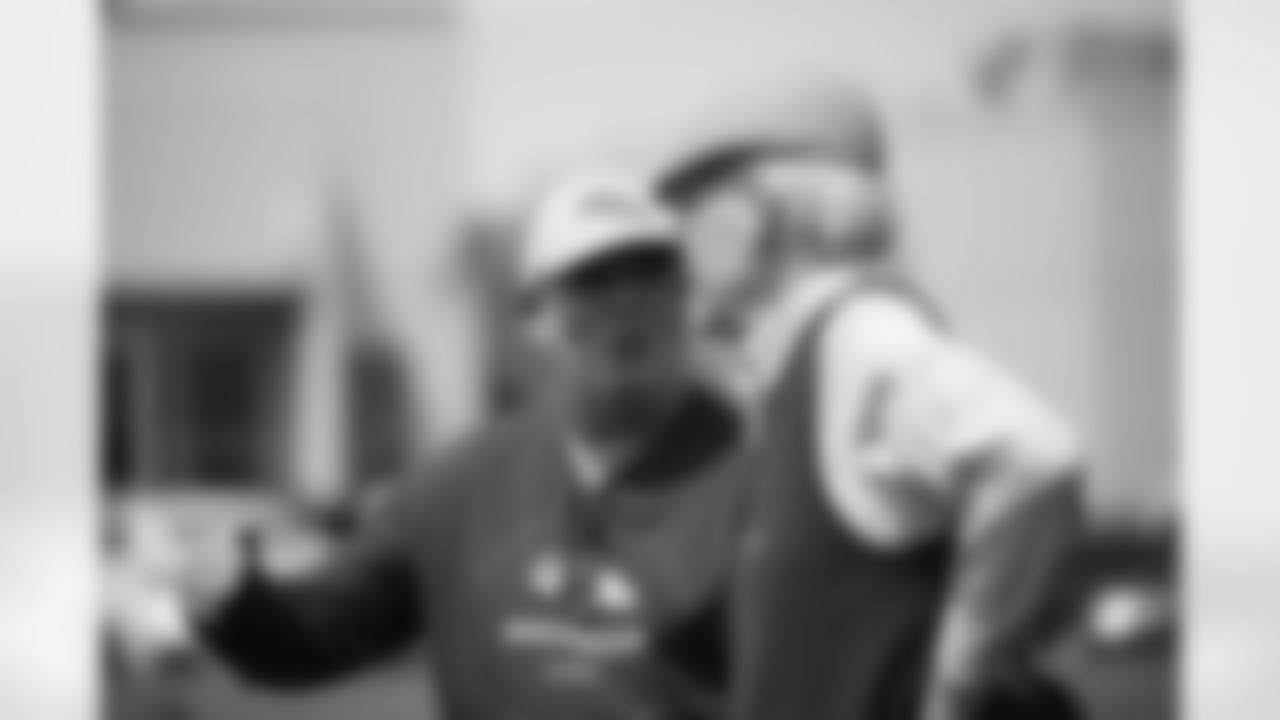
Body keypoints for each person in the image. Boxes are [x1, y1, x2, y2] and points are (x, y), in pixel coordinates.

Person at [147, 171, 743, 720]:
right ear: (532, 316)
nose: (627, 299)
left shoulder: (761, 479)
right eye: (592, 278)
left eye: (651, 271)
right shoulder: (456, 488)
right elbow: (324, 631)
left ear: (687, 295)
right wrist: (236, 604)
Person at [660, 134, 1087, 720]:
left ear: (749, 221)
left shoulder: (856, 335)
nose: (672, 252)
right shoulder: (796, 368)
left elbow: (1033, 456)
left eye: (687, 214)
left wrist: (958, 685)